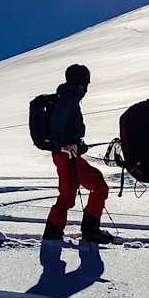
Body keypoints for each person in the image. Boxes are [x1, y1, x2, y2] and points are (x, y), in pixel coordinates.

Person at [43, 64, 114, 244]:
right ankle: (54, 236)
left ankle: (87, 230)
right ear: (81, 82)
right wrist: (64, 146)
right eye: (86, 80)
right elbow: (58, 125)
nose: (87, 85)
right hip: (66, 156)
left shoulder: (70, 98)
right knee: (68, 196)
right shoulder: (69, 99)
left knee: (97, 185)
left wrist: (76, 145)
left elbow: (67, 128)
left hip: (69, 155)